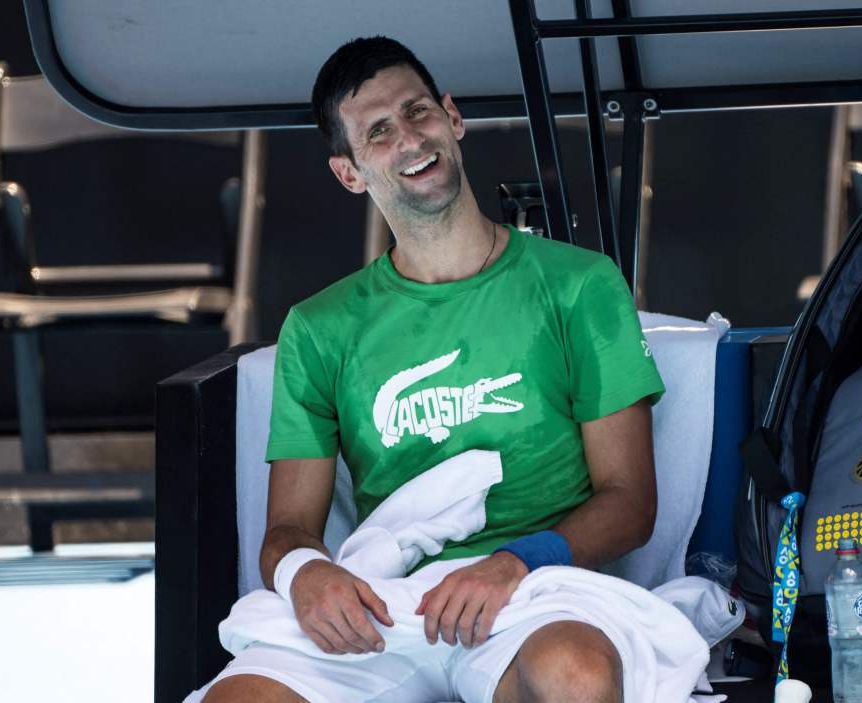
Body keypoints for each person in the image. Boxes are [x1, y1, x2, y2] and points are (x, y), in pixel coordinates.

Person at [203, 36, 665, 703]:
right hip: (383, 609)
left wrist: (512, 563)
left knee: (579, 675)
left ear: (453, 117)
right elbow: (289, 531)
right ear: (350, 172)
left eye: (419, 112)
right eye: (379, 131)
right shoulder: (318, 326)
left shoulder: (581, 284)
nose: (411, 138)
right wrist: (307, 574)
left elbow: (630, 501)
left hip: (533, 593)